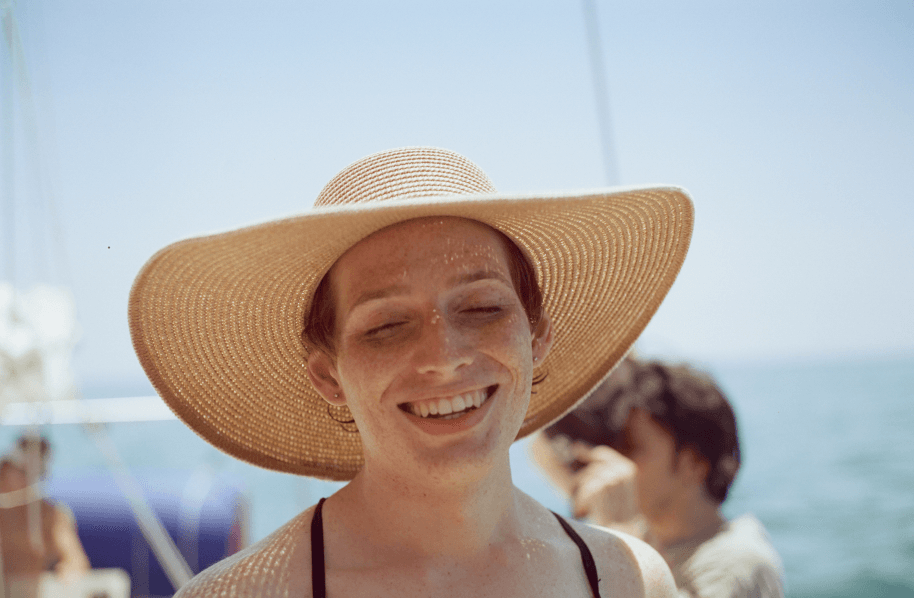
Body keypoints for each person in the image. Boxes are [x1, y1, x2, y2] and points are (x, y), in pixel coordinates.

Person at [129, 146, 695, 597]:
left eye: (482, 308)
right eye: (386, 326)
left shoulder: (629, 581)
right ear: (328, 375)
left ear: (538, 331)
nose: (444, 356)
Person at [532, 358, 785, 598]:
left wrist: (620, 539)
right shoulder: (644, 531)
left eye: (629, 447)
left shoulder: (737, 563)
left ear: (692, 464)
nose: (613, 463)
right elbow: (545, 447)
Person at [0, 435, 91, 598]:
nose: (27, 480)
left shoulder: (51, 515)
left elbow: (75, 561)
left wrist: (68, 574)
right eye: (22, 471)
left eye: (36, 474)